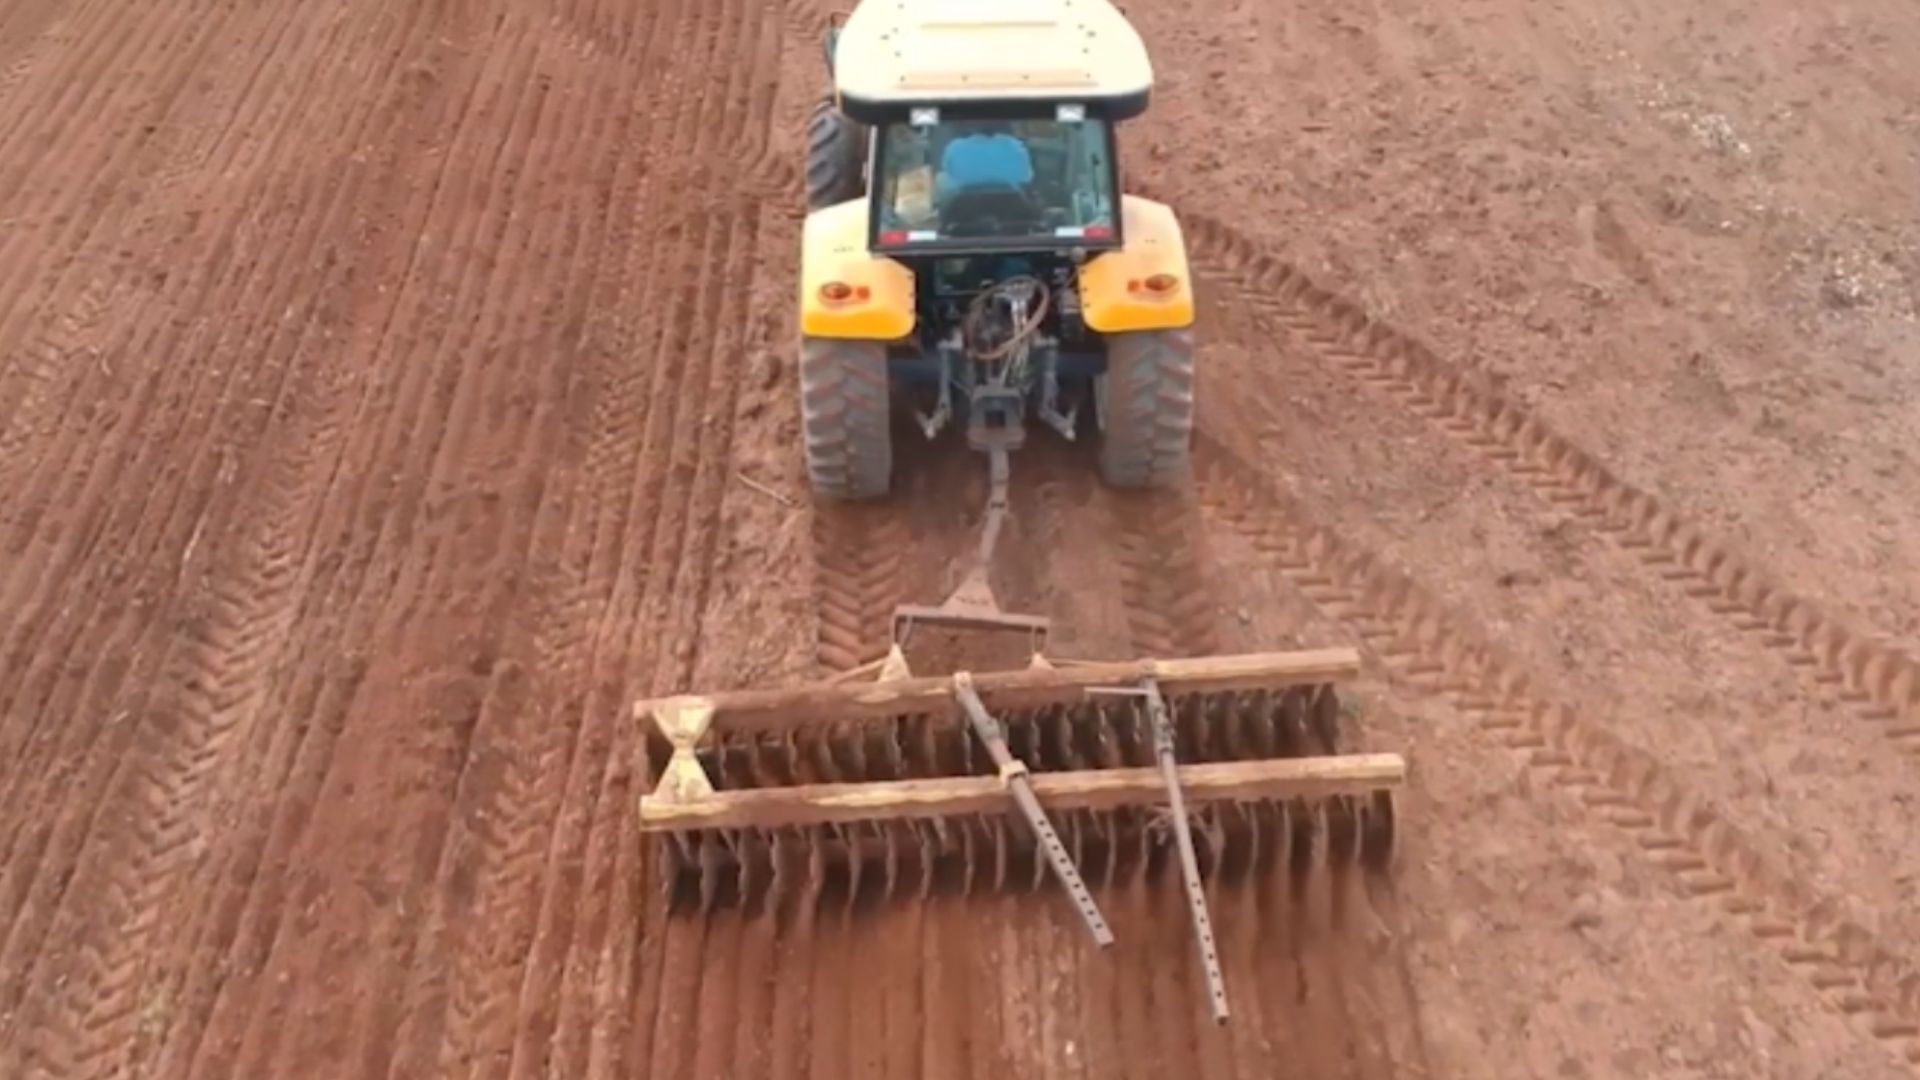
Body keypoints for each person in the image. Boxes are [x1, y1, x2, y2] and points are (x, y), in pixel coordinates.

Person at [935, 122, 1033, 198]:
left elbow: (948, 172)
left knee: (941, 178)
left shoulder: (955, 146)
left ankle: (939, 217)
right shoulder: (1014, 145)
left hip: (964, 206)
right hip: (1010, 205)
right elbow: (1027, 177)